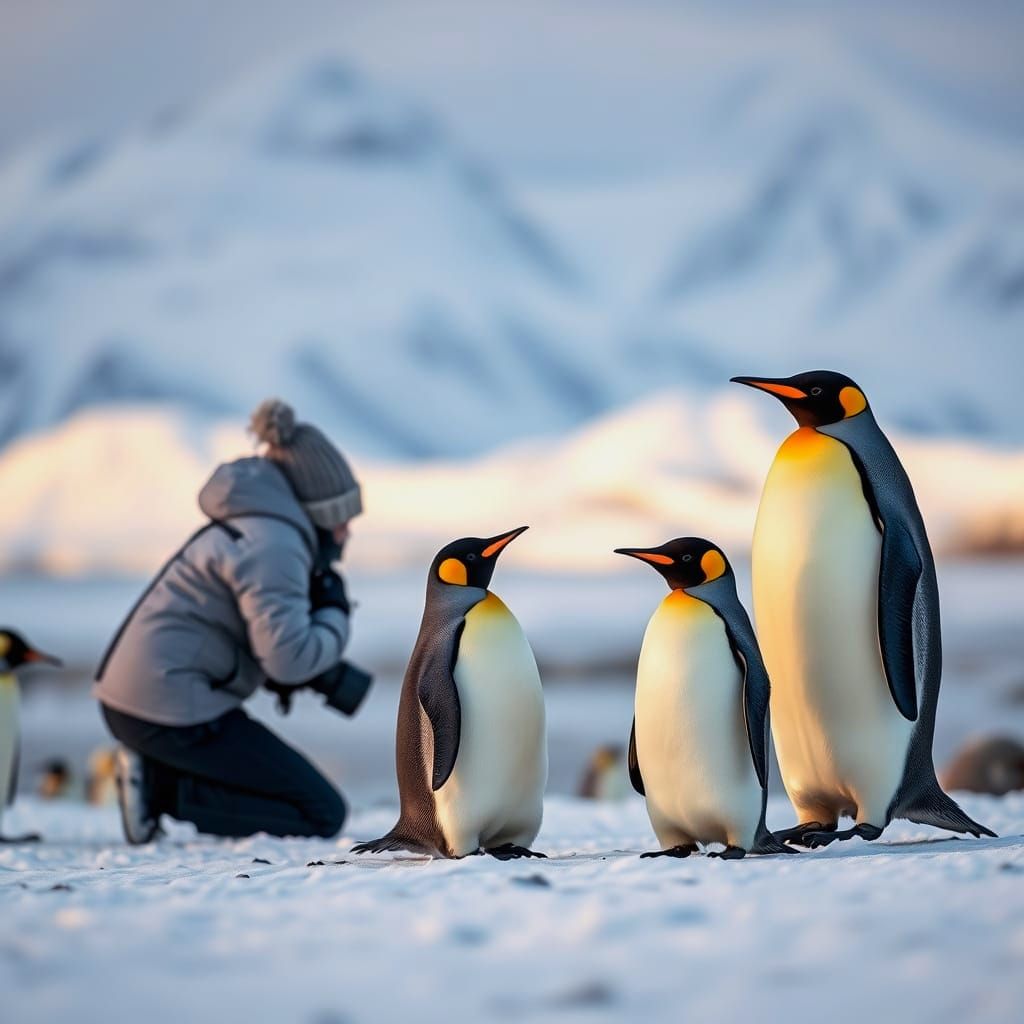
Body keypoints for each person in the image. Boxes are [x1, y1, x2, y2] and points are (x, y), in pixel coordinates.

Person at [94, 399, 371, 843]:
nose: (346, 533)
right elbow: (290, 660)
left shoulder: (261, 527)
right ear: (316, 509)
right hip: (164, 709)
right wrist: (334, 612)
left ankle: (160, 773)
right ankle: (160, 788)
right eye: (341, 517)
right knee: (321, 813)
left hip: (145, 698)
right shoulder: (275, 544)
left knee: (287, 789)